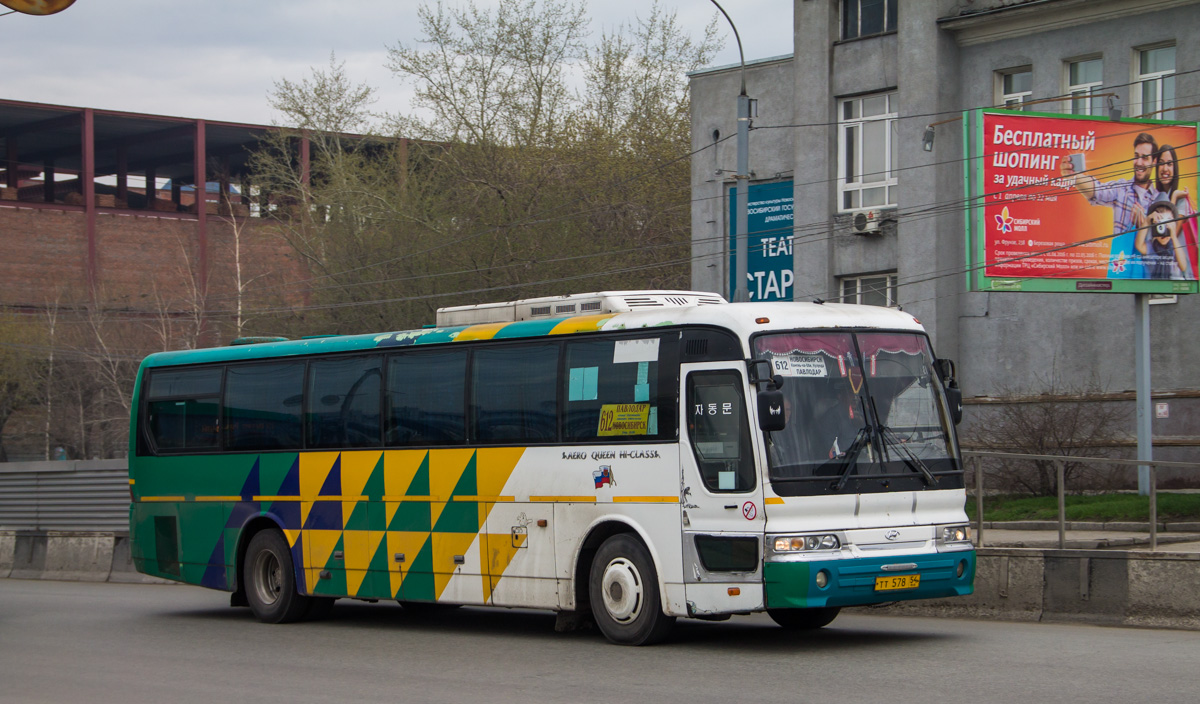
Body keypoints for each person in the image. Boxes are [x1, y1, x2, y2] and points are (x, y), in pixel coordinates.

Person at [1061, 132, 1159, 279]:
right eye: (1136, 156)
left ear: (1155, 161)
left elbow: (1167, 245)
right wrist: (1074, 177)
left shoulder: (1160, 199)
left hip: (1152, 275)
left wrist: (1144, 228)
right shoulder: (1122, 189)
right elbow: (1096, 191)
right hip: (1122, 270)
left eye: (1145, 158)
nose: (1139, 162)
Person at [1154, 144, 1198, 279]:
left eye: (1169, 164)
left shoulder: (1181, 201)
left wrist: (1174, 197)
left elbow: (1166, 234)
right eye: (1161, 164)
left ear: (1175, 168)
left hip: (1180, 274)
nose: (1165, 169)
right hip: (1161, 270)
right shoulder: (1157, 197)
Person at [1136, 193, 1190, 279]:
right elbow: (1139, 245)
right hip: (1153, 288)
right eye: (1160, 225)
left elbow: (1183, 266)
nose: (1164, 229)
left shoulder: (1174, 247)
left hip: (1172, 289)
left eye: (1168, 222)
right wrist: (1147, 221)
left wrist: (1173, 235)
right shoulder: (1151, 246)